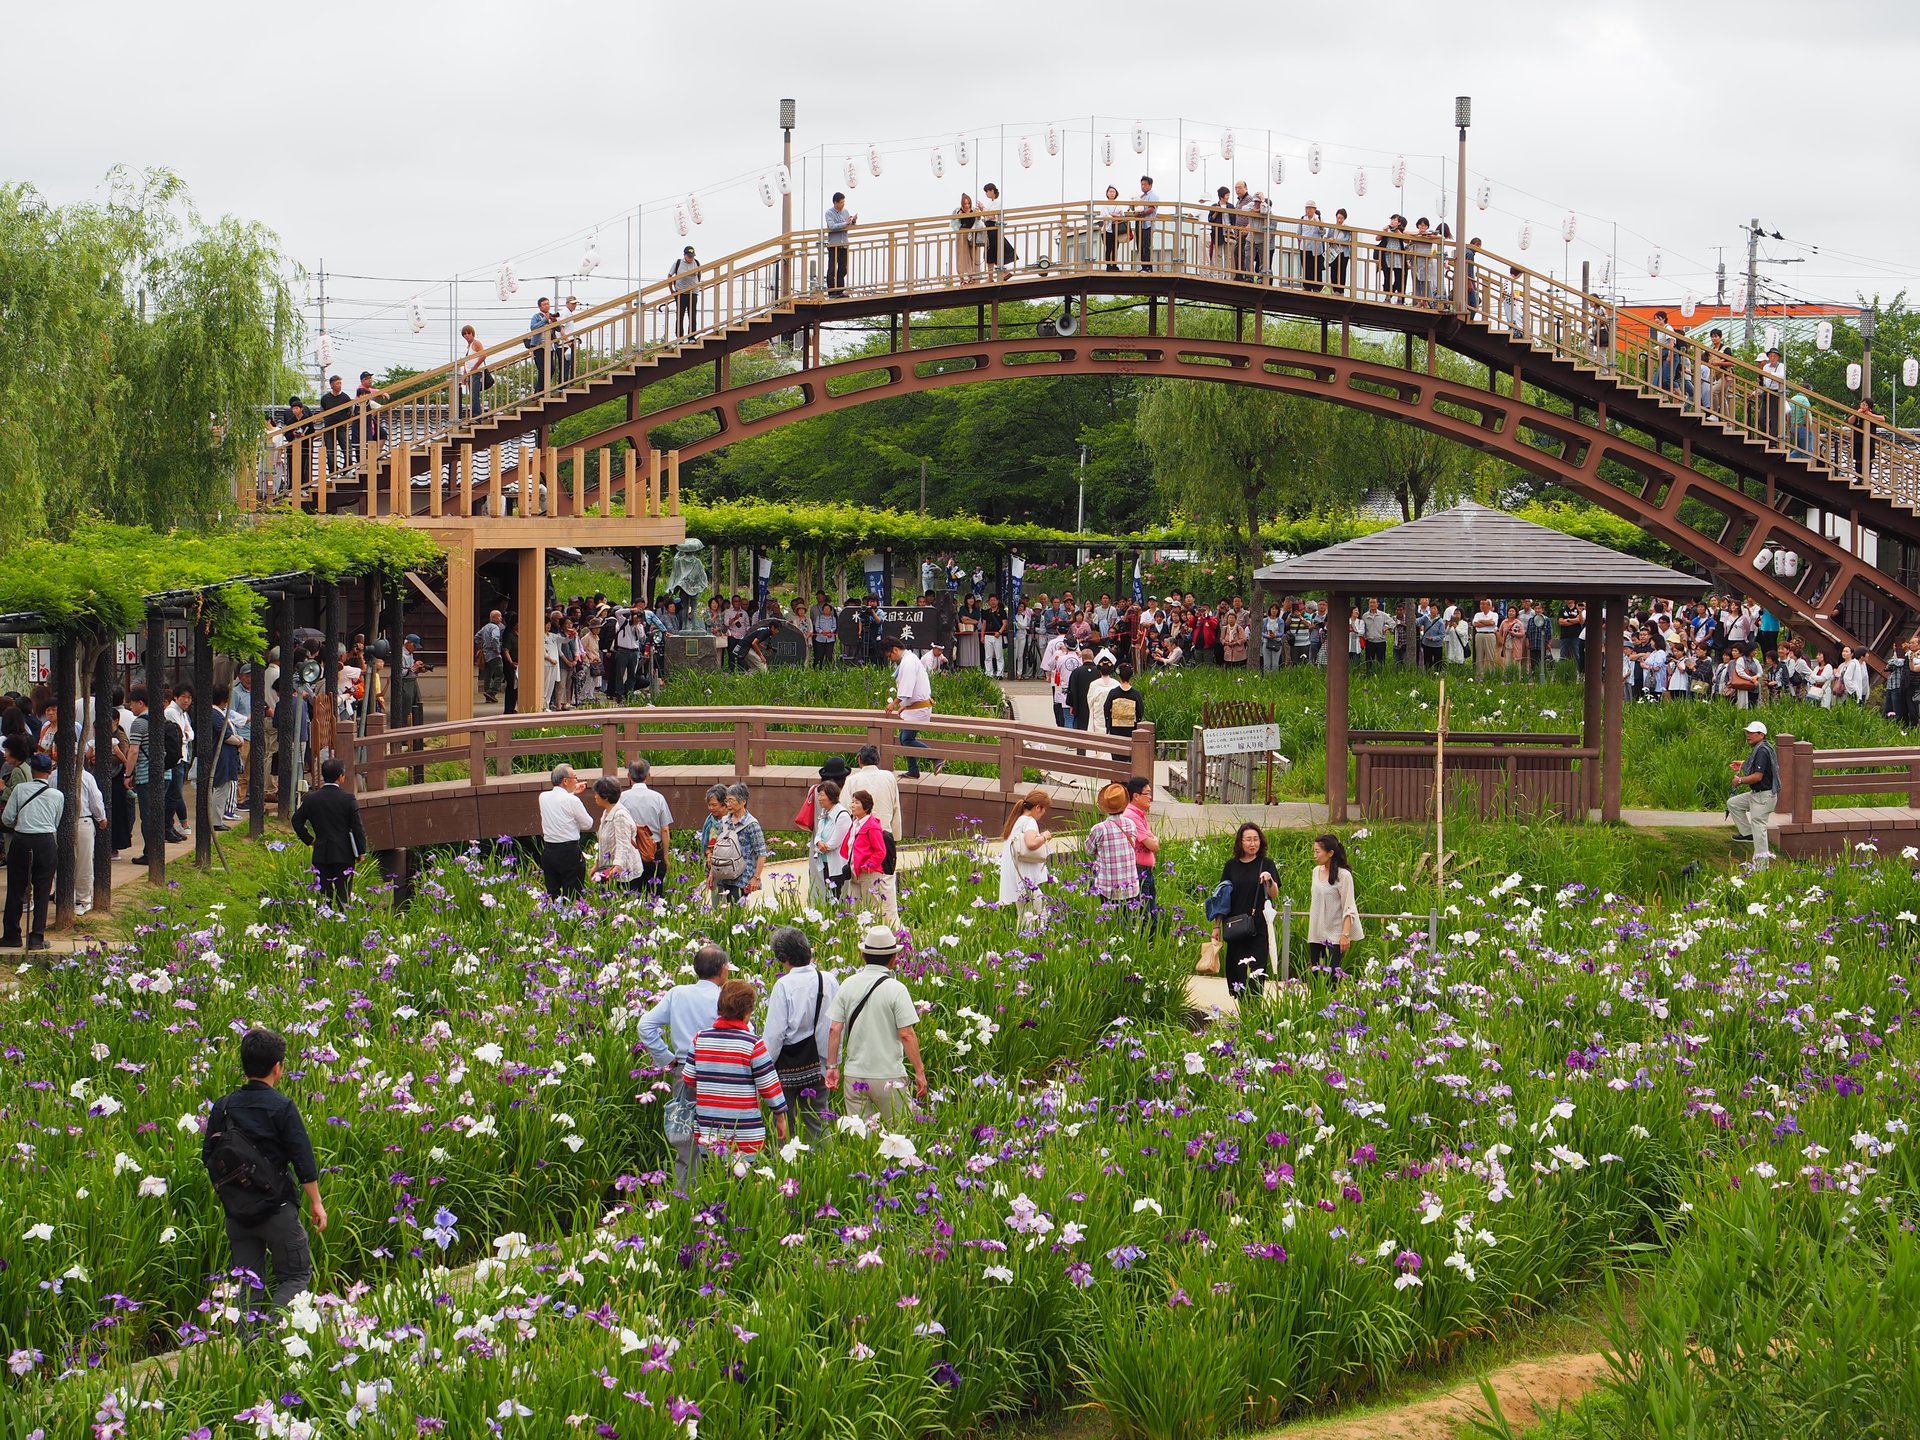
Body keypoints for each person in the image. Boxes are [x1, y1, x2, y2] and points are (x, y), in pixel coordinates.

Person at [200, 1028, 325, 1329]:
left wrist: (238, 1192)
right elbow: (303, 1160)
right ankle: (272, 1338)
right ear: (278, 1066)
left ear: (244, 1065)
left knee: (247, 1286)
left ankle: (249, 1351)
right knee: (296, 1276)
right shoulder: (281, 1107)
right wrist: (316, 1203)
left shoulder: (224, 1106)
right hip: (277, 1210)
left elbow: (209, 1157)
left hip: (237, 1214)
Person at [638, 944, 727, 1186]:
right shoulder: (724, 996)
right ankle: (720, 1194)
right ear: (722, 969)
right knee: (722, 1135)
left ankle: (685, 1200)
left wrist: (666, 1059)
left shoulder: (678, 993)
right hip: (720, 1073)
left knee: (686, 1137)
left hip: (685, 1071)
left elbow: (645, 1026)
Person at [824, 926, 928, 1120]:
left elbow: (834, 1029)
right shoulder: (896, 989)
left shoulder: (847, 984)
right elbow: (906, 1034)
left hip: (855, 1076)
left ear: (863, 955)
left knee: (861, 1138)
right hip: (888, 1077)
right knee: (899, 1134)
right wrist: (919, 1072)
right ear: (894, 958)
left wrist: (832, 1067)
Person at [681, 978, 789, 1164]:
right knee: (743, 1186)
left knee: (714, 1181)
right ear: (748, 1011)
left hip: (709, 1132)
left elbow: (689, 1079)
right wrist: (780, 1116)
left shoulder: (700, 1039)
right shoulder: (753, 1043)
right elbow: (770, 1088)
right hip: (745, 1134)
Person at [761, 927, 840, 1136]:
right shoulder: (828, 979)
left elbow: (775, 1034)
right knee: (818, 1123)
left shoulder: (784, 985)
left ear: (783, 959)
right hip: (820, 1062)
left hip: (788, 1067)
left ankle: (787, 1164)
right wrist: (833, 1059)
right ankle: (824, 1164)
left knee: (784, 1124)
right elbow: (837, 1023)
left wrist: (764, 1066)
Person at [0, 752, 61, 950]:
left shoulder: (20, 789)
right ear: (50, 771)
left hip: (22, 840)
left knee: (16, 889)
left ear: (32, 770)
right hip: (46, 842)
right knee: (43, 891)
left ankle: (11, 935)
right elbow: (56, 822)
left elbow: (7, 818)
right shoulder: (57, 794)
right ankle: (36, 938)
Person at [1212, 821, 1281, 994]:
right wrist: (1216, 926)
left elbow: (1274, 894)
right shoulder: (1231, 866)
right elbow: (1223, 898)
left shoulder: (1266, 863)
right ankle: (1244, 1015)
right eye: (1248, 839)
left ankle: (1255, 1013)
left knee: (1256, 975)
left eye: (1256, 839)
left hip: (1258, 928)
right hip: (1235, 927)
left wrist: (1269, 879)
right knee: (1238, 976)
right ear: (1240, 842)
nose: (1253, 843)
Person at [289, 757, 365, 906]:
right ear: (341, 777)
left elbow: (296, 820)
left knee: (324, 896)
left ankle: (324, 922)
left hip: (321, 853)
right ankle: (343, 924)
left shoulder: (311, 799)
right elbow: (357, 826)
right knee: (343, 895)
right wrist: (361, 851)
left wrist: (310, 840)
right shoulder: (347, 799)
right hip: (345, 853)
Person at [1306, 833, 1363, 984]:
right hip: (1316, 934)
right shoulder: (1315, 872)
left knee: (1331, 978)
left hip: (1335, 935)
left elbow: (1348, 906)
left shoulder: (1344, 876)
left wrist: (1345, 934)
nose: (1315, 855)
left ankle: (1333, 1006)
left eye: (1317, 851)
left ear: (1330, 853)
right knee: (1316, 977)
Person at [1727, 719, 1779, 870]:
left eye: (1751, 733)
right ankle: (1747, 833)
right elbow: (1757, 764)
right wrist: (1742, 764)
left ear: (1761, 734)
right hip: (1757, 794)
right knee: (1734, 803)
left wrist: (1740, 780)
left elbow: (1758, 776)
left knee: (1759, 829)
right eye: (1747, 732)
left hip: (1763, 797)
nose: (1748, 735)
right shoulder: (1762, 748)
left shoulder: (1762, 750)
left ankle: (1762, 867)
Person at [537, 763, 594, 898]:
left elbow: (559, 800)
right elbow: (588, 824)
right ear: (566, 781)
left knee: (552, 894)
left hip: (549, 851)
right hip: (569, 852)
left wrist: (572, 791)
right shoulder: (572, 800)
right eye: (575, 778)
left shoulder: (543, 797)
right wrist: (573, 795)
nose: (577, 781)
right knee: (573, 893)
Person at [997, 788, 1053, 926]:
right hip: (1025, 878)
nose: (1044, 813)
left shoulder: (1016, 821)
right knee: (1042, 912)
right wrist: (1044, 836)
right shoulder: (1029, 821)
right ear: (1038, 807)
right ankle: (1037, 940)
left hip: (1016, 876)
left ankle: (1022, 941)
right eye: (1044, 809)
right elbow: (1031, 843)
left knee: (1024, 915)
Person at [882, 636, 935, 779]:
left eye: (890, 656)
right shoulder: (909, 659)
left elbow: (907, 686)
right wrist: (904, 706)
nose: (891, 659)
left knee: (907, 739)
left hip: (919, 708)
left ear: (895, 649)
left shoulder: (908, 662)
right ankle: (913, 770)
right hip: (915, 707)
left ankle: (936, 757)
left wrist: (894, 703)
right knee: (904, 738)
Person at [618, 758, 672, 892]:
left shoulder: (622, 798)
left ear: (629, 776)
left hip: (630, 850)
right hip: (653, 851)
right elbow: (664, 829)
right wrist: (665, 856)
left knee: (630, 895)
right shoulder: (658, 798)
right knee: (654, 894)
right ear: (648, 776)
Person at [708, 782, 767, 904]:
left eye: (731, 800)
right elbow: (717, 849)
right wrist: (712, 873)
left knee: (736, 913)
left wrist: (756, 878)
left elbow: (761, 853)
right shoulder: (725, 822)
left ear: (743, 801)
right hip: (723, 874)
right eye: (727, 801)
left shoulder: (751, 824)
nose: (728, 804)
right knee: (721, 913)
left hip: (742, 876)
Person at [1085, 781, 1142, 907]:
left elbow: (1088, 850)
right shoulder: (1130, 824)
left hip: (1108, 887)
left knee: (1111, 922)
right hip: (1131, 886)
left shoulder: (1099, 829)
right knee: (1130, 922)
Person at [590, 777, 648, 888]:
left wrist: (617, 868)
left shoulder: (619, 815)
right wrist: (597, 864)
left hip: (625, 873)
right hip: (609, 867)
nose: (595, 796)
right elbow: (603, 843)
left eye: (597, 793)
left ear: (605, 797)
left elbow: (623, 845)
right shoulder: (607, 812)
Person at [824, 192, 857, 297]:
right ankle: (832, 292)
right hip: (834, 244)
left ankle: (840, 291)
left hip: (844, 244)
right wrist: (845, 223)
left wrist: (852, 222)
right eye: (841, 202)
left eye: (844, 202)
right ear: (835, 203)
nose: (843, 204)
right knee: (832, 269)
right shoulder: (829, 213)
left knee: (843, 269)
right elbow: (831, 226)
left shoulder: (845, 211)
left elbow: (847, 224)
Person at [669, 246, 700, 338]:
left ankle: (691, 336)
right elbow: (669, 276)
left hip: (693, 292)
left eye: (692, 256)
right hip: (681, 292)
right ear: (684, 255)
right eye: (689, 256)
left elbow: (699, 276)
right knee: (680, 315)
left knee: (692, 315)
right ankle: (680, 337)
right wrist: (672, 290)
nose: (691, 258)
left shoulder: (697, 263)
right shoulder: (678, 263)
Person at [1132, 176, 1160, 273]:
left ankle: (1148, 267)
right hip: (1139, 223)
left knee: (1146, 245)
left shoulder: (1153, 196)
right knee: (1139, 245)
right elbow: (1136, 208)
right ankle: (1144, 266)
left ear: (1150, 185)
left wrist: (1141, 213)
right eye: (1141, 184)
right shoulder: (1141, 197)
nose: (1143, 186)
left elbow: (1152, 208)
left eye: (1145, 184)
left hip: (1147, 223)